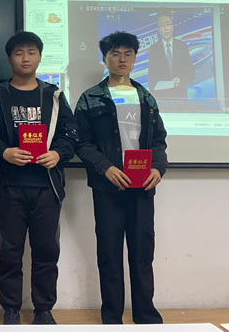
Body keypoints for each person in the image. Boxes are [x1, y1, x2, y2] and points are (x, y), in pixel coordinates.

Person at [0, 32, 77, 325]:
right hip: (8, 186)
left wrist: (58, 154)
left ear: (40, 57)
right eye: (19, 53)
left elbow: (71, 135)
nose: (25, 58)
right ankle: (10, 309)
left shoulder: (54, 96)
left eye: (31, 52)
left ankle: (43, 310)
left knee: (47, 251)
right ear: (9, 58)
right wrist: (4, 152)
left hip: (47, 187)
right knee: (8, 252)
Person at [75, 31, 168, 324]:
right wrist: (105, 167)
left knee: (142, 254)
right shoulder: (90, 98)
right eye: (115, 54)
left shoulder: (146, 97)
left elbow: (159, 140)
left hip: (142, 187)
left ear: (135, 57)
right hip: (108, 187)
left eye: (128, 54)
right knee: (109, 254)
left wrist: (158, 168)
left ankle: (146, 318)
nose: (122, 59)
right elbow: (81, 142)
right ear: (105, 58)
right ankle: (112, 319)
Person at [147, 8, 195, 101]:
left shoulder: (182, 46)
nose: (165, 28)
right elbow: (151, 77)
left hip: (180, 97)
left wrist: (180, 81)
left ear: (172, 27)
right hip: (162, 98)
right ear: (158, 30)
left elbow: (191, 73)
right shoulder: (154, 49)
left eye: (168, 24)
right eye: (162, 25)